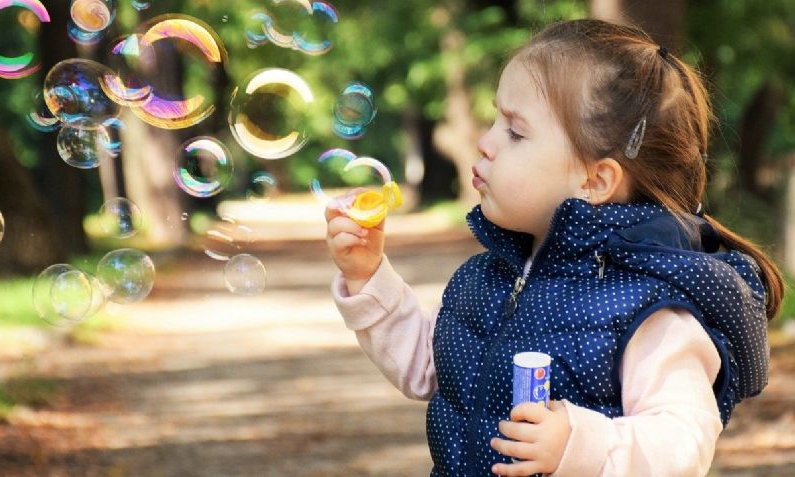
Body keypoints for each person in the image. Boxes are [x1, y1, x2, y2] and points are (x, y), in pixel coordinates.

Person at [324, 18, 782, 477]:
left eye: (515, 132)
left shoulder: (648, 308)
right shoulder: (488, 277)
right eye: (494, 119)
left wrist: (579, 444)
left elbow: (683, 443)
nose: (484, 144)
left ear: (595, 180)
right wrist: (368, 277)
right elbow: (431, 366)